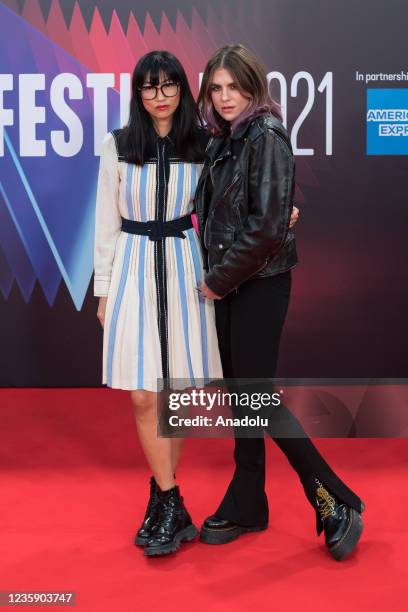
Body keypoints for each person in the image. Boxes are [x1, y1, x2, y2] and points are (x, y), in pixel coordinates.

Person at [194, 44, 365, 561]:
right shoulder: (225, 139)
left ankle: (333, 499)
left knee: (256, 401)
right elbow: (247, 213)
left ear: (253, 85)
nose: (225, 98)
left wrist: (217, 281)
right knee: (244, 402)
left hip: (256, 285)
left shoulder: (265, 135)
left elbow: (266, 228)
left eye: (234, 87)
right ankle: (249, 500)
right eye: (216, 88)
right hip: (231, 283)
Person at [93, 51, 226, 557]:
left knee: (174, 392)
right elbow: (106, 220)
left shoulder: (203, 144)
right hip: (131, 264)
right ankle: (170, 497)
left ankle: (164, 500)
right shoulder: (118, 145)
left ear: (182, 90)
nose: (160, 96)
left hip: (183, 263)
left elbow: (223, 206)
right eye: (150, 88)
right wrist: (103, 289)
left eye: (169, 85)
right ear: (138, 94)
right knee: (143, 394)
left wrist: (282, 211)